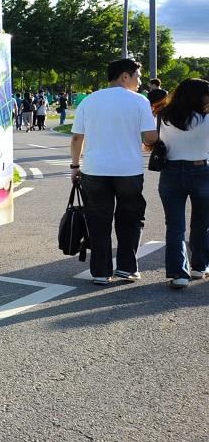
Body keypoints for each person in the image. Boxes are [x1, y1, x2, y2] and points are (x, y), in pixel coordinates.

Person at [70, 58, 160, 285]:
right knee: (130, 218)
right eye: (137, 76)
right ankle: (127, 269)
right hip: (128, 170)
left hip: (94, 170)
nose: (140, 82)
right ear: (125, 76)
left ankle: (100, 272)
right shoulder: (139, 101)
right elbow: (150, 137)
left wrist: (75, 166)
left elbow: (77, 137)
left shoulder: (89, 101)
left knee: (98, 220)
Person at [153, 78, 209, 289]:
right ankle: (199, 266)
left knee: (175, 226)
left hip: (171, 172)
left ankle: (179, 274)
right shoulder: (206, 119)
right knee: (202, 224)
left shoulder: (164, 117)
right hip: (201, 170)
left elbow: (154, 140)